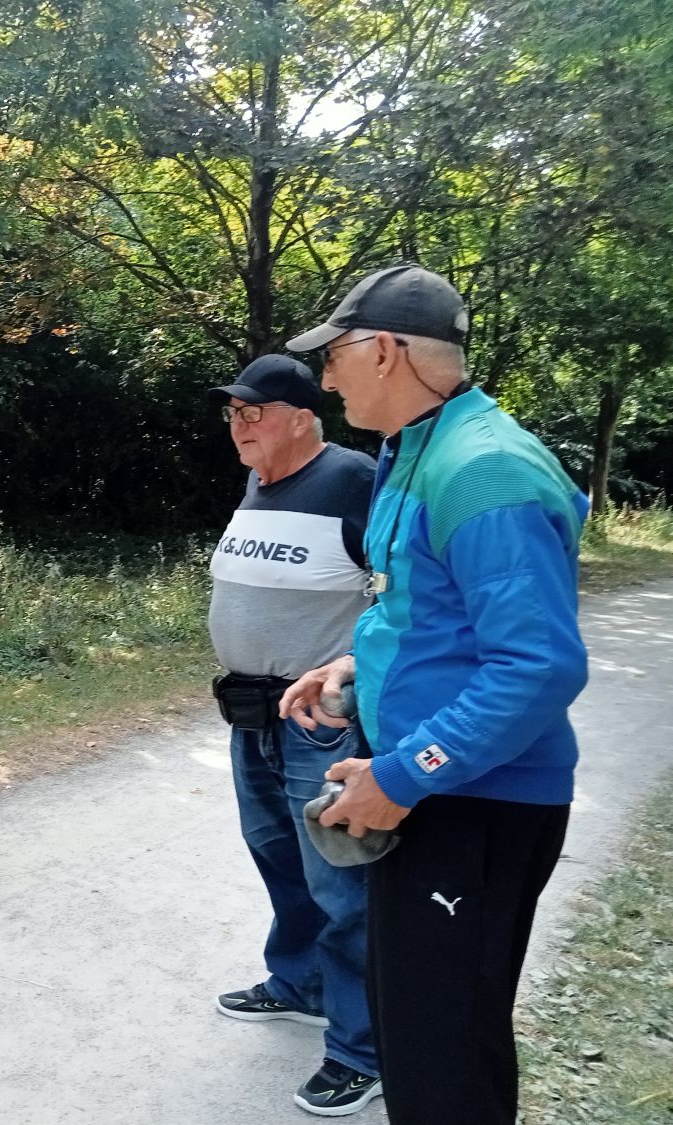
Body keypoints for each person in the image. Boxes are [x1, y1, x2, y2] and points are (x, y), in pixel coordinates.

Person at [280, 264, 589, 1125]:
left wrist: (402, 774)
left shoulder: (484, 468)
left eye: (334, 355)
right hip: (434, 790)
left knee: (446, 1058)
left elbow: (538, 665)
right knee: (417, 1035)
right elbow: (420, 609)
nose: (326, 378)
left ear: (385, 350)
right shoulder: (417, 447)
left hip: (475, 803)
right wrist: (353, 666)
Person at [204, 354, 382, 1117]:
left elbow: (405, 597)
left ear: (304, 418)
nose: (239, 425)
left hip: (321, 720)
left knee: (342, 881)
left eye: (254, 412)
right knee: (277, 853)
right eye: (233, 413)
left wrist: (351, 679)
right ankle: (301, 981)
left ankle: (363, 1049)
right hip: (253, 713)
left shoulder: (353, 480)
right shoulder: (259, 483)